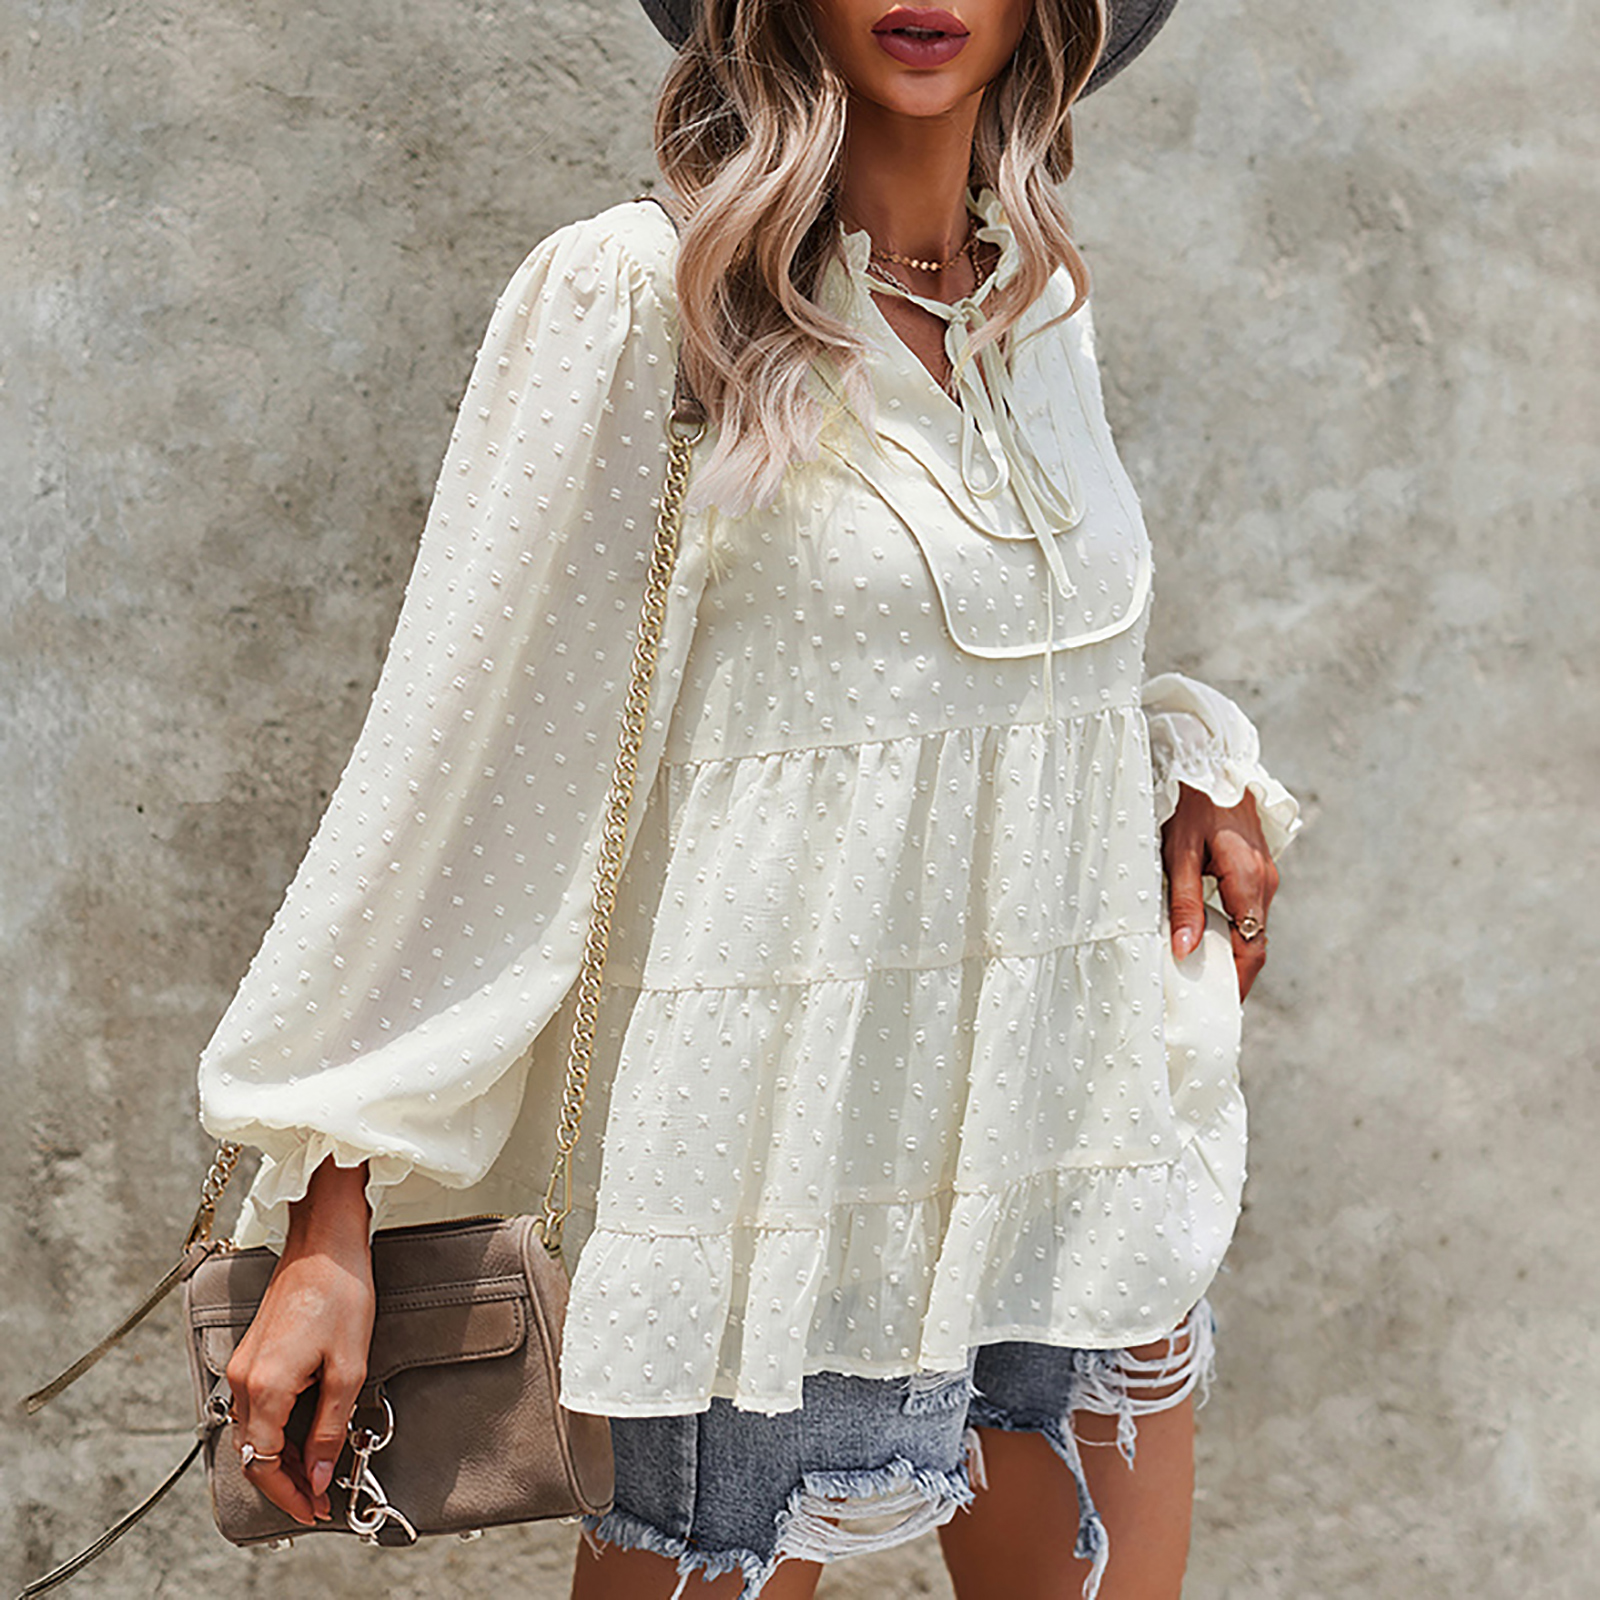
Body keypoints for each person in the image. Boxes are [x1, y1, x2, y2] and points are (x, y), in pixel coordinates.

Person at [202, 1, 1300, 1596]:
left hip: (1070, 1138)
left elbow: (979, 677)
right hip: (771, 1191)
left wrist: (1181, 764)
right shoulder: (646, 297)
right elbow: (471, 764)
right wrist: (333, 1202)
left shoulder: (1036, 303)